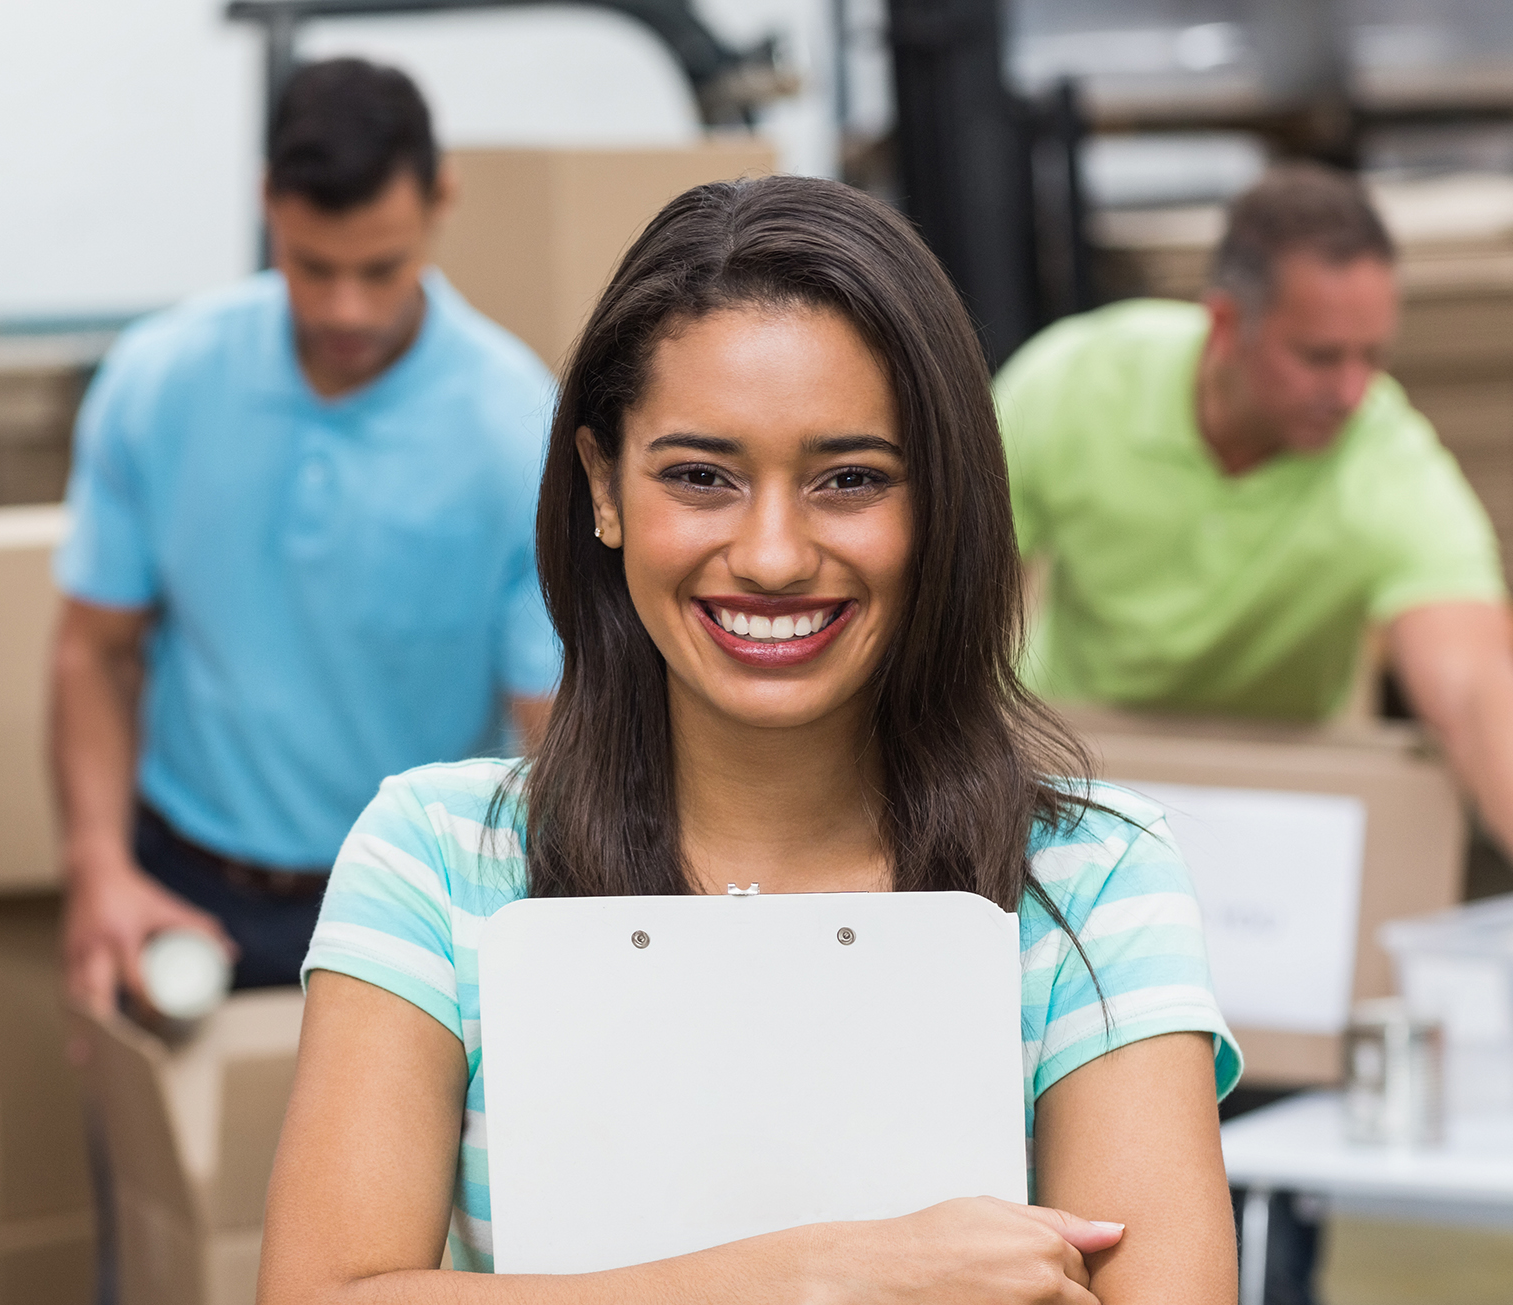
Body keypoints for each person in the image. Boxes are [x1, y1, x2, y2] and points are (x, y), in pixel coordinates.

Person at [262, 176, 1241, 1302]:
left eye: (849, 479)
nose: (772, 554)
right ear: (602, 486)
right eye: (699, 476)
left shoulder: (1094, 879)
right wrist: (818, 1274)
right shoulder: (435, 858)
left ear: (943, 501)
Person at [49, 58, 558, 1013]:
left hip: (421, 902)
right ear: (268, 204)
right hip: (183, 893)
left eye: (380, 268)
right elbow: (93, 653)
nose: (344, 310)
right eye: (312, 266)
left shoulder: (517, 428)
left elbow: (558, 728)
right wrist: (97, 868)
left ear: (441, 200)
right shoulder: (158, 382)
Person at [1001, 164, 1513, 846]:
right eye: (1320, 356)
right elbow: (949, 591)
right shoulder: (1073, 384)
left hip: (1282, 788)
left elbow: (1474, 687)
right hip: (1079, 757)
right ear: (1225, 323)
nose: (1352, 390)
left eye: (1373, 356)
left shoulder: (1385, 458)